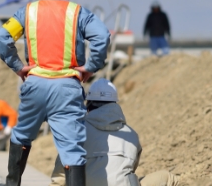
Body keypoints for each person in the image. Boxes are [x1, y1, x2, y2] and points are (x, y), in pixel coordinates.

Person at [0, 0, 110, 186]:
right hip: (67, 88)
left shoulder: (28, 12)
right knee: (72, 150)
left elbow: (3, 36)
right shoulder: (78, 13)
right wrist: (90, 67)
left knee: (22, 136)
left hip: (35, 83)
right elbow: (102, 36)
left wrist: (19, 67)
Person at [49, 79, 180, 186]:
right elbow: (130, 168)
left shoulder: (75, 132)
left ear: (88, 105)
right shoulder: (131, 135)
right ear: (115, 105)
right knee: (168, 178)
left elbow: (60, 177)